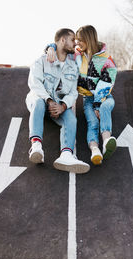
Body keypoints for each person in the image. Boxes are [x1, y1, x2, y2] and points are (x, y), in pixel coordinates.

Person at [46, 25, 117, 165]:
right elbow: (62, 47)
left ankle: (107, 140)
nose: (77, 43)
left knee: (104, 108)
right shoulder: (76, 55)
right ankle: (95, 150)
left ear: (88, 39)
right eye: (76, 41)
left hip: (104, 97)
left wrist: (98, 103)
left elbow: (106, 83)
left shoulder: (106, 59)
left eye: (79, 40)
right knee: (92, 122)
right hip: (87, 99)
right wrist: (51, 47)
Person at [25, 28, 90, 174]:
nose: (75, 44)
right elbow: (35, 84)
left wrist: (63, 106)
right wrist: (48, 100)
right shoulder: (41, 60)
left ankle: (66, 155)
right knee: (39, 103)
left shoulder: (73, 66)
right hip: (41, 101)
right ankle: (36, 147)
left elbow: (73, 92)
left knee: (71, 119)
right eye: (72, 40)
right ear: (62, 40)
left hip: (58, 105)